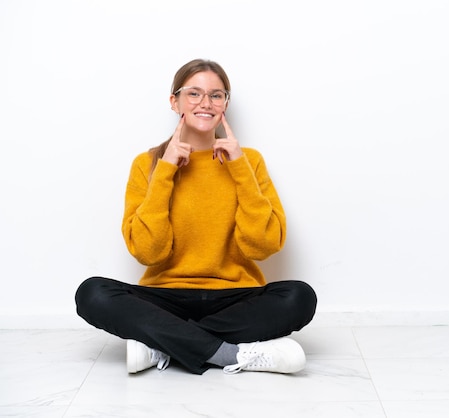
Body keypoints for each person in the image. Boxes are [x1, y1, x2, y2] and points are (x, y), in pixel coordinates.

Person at [75, 58, 317, 375]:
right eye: (194, 93)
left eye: (216, 95)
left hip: (235, 296)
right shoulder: (147, 163)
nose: (206, 103)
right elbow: (147, 251)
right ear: (174, 102)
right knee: (92, 293)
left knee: (299, 297)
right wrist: (166, 170)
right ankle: (230, 354)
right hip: (165, 297)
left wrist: (239, 169)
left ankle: (161, 344)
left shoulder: (250, 161)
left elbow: (264, 245)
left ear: (225, 104)